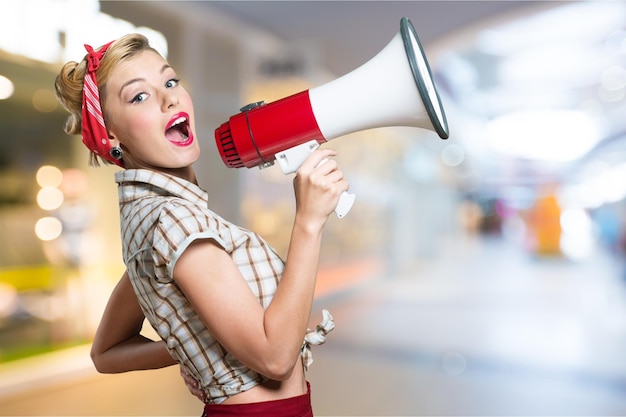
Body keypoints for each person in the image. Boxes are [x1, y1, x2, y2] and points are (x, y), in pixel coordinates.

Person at [54, 33, 347, 416]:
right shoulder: (175, 220)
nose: (169, 97)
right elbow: (275, 358)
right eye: (138, 96)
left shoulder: (152, 218)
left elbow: (106, 352)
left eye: (170, 81)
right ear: (110, 134)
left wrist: (198, 349)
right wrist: (309, 221)